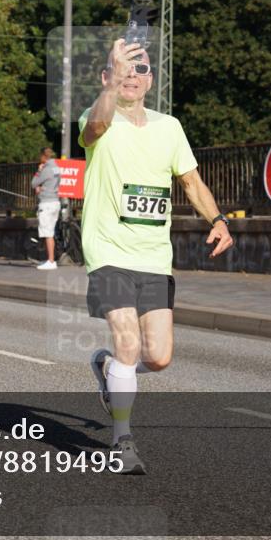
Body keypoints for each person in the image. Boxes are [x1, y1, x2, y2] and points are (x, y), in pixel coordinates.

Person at [79, 39, 233, 474]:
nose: (133, 75)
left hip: (153, 256)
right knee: (128, 343)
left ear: (150, 80)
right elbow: (93, 129)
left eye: (140, 69)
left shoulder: (170, 127)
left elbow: (191, 183)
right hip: (107, 248)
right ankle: (122, 441)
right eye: (123, 69)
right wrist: (111, 75)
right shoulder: (98, 118)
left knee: (159, 357)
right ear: (107, 78)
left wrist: (218, 219)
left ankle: (110, 370)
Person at [31, 147, 62, 270]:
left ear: (44, 157)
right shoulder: (56, 168)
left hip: (46, 203)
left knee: (47, 233)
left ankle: (51, 260)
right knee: (51, 231)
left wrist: (38, 171)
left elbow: (33, 183)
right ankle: (50, 259)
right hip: (55, 201)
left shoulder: (46, 169)